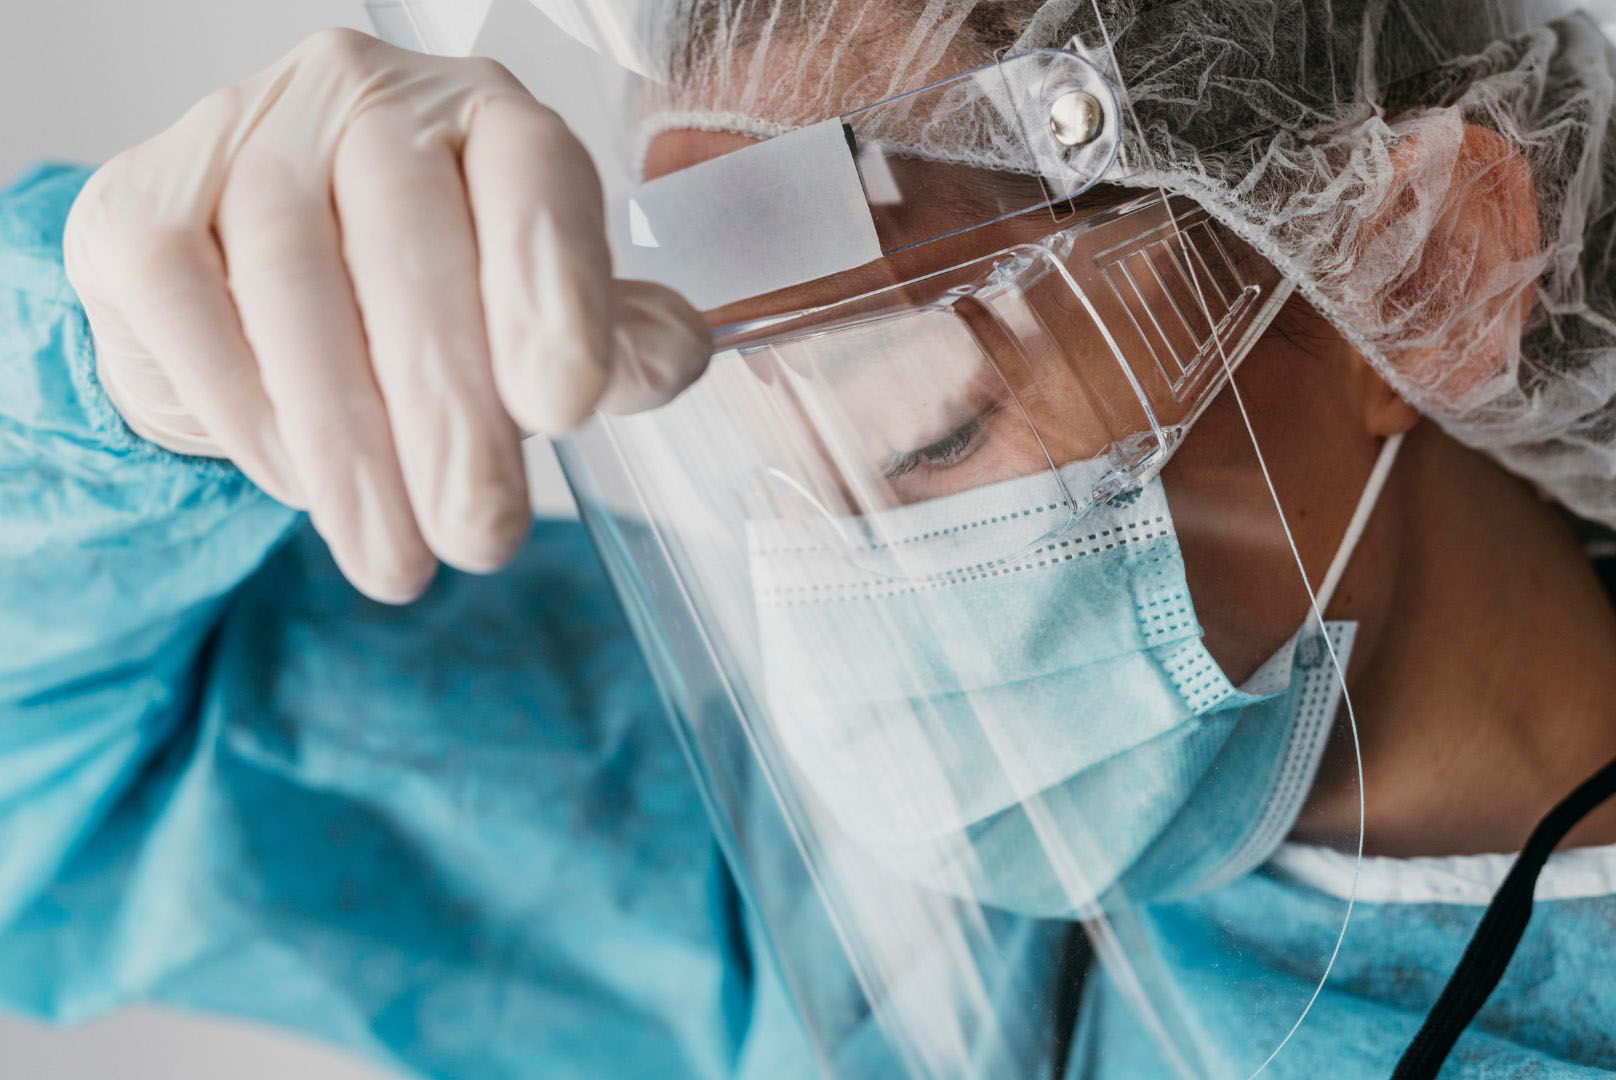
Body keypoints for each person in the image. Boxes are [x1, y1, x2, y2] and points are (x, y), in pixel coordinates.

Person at [5, 0, 1616, 1076]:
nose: (824, 572)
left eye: (922, 424)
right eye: (743, 458)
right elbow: (62, 808)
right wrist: (128, 379)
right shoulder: (809, 906)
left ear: (1411, 275)